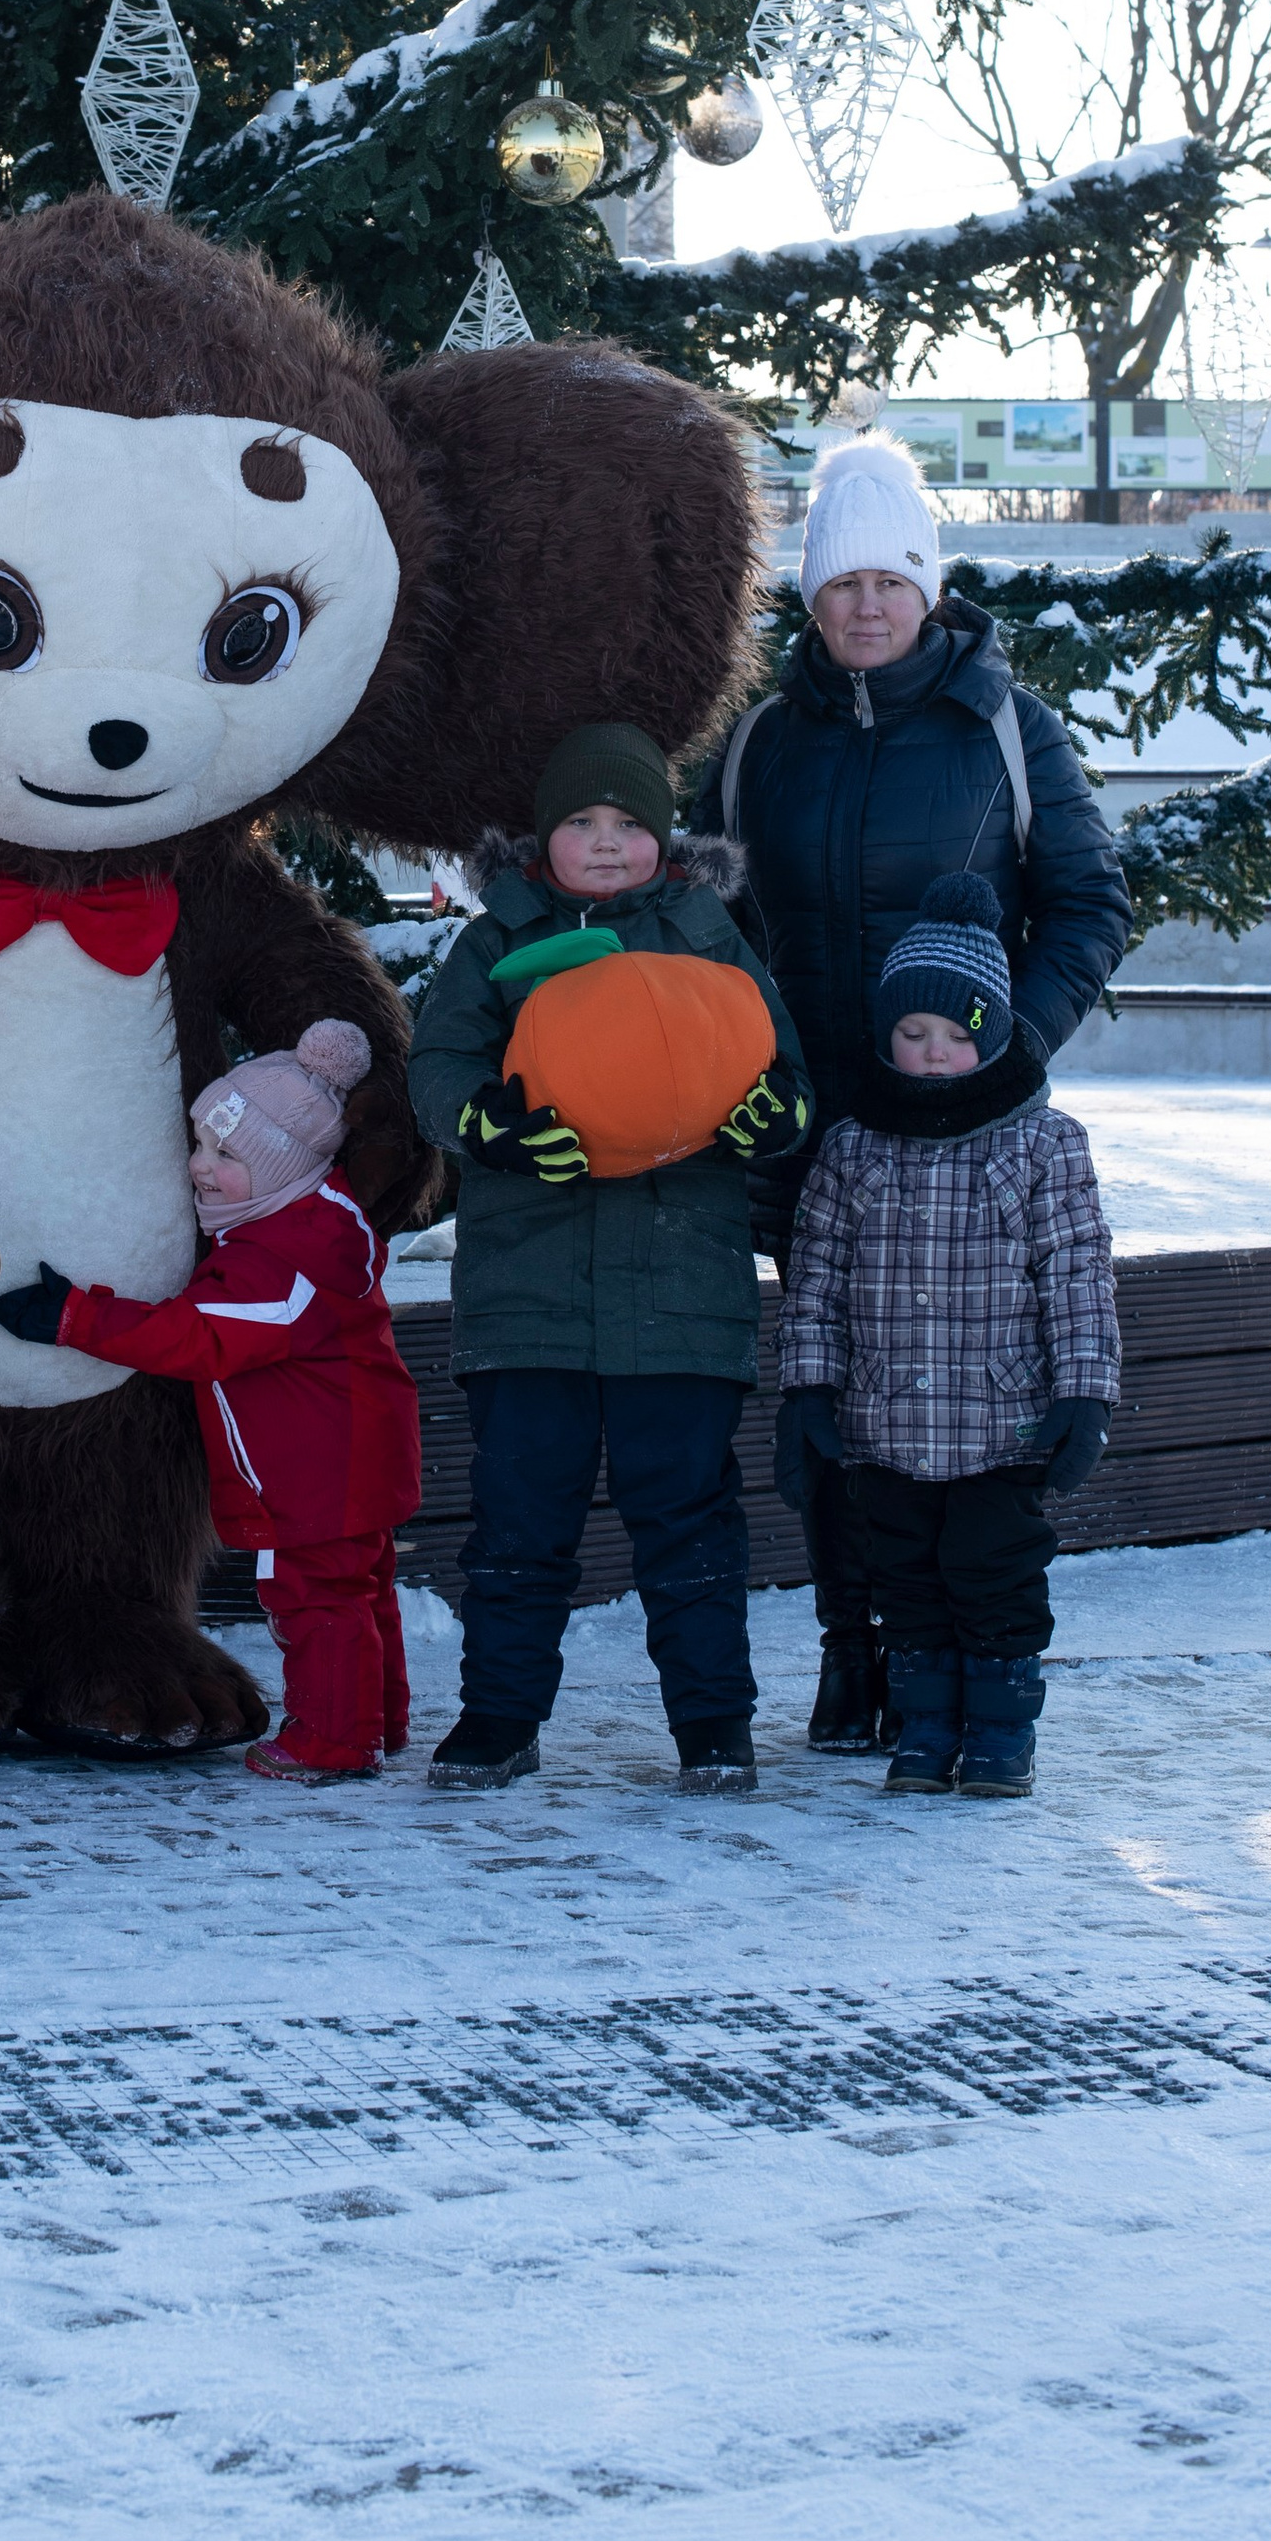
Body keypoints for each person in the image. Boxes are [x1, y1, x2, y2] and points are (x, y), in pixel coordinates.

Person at [682, 433, 1128, 1757]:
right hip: (805, 1122)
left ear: (928, 588)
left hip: (963, 1127)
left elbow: (1090, 900)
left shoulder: (1002, 724)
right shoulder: (763, 733)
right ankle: (848, 1646)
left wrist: (1012, 1053)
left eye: (889, 580)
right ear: (810, 600)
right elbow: (707, 909)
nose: (866, 604)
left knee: (950, 1395)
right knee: (834, 1384)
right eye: (841, 584)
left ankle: (954, 1644)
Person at [408, 723, 810, 1797]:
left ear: (661, 835)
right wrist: (483, 1123)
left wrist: (769, 1113)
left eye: (627, 823)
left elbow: (782, 1069)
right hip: (527, 1295)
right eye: (580, 822)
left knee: (686, 1519)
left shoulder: (707, 935)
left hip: (682, 1289)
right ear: (544, 837)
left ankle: (713, 1725)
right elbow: (437, 1067)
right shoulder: (496, 943)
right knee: (518, 1521)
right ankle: (497, 1718)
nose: (602, 841)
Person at [0, 1020, 419, 1784]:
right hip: (348, 1452)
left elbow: (198, 1337)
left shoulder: (285, 1264)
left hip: (316, 1469)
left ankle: (332, 1739)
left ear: (285, 1165)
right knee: (361, 1592)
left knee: (315, 1599)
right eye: (200, 1145)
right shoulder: (311, 1223)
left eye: (227, 1155)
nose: (199, 1167)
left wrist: (77, 1318)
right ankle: (375, 1720)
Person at [772, 873, 1119, 1797]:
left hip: (1001, 1423)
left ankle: (1001, 1734)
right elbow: (816, 1280)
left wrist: (1083, 1394)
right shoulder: (854, 1147)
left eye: (957, 1038)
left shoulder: (1042, 1145)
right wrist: (809, 1390)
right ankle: (924, 1727)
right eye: (913, 1034)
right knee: (909, 1587)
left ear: (994, 1036)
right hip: (885, 1426)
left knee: (995, 1581)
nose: (932, 1055)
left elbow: (1078, 1273)